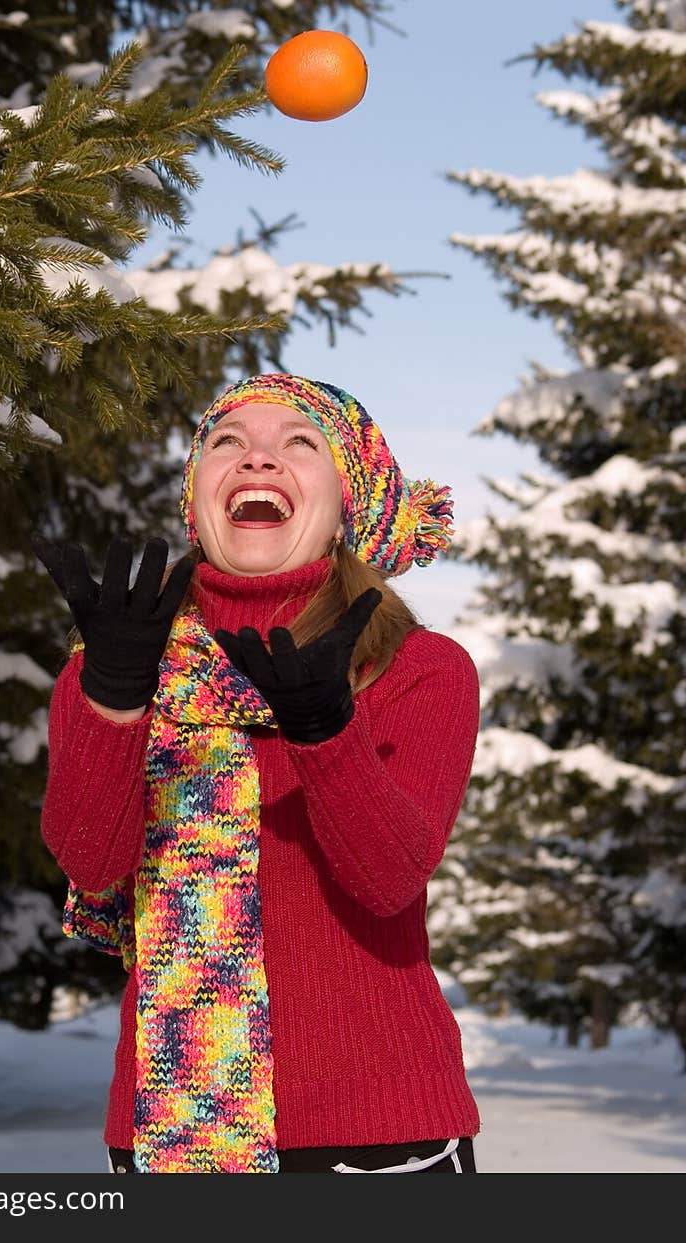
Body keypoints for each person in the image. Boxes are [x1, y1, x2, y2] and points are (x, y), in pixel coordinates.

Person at [33, 372, 481, 1174]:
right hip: (172, 1134)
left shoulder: (418, 670)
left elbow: (389, 878)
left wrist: (325, 734)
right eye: (227, 443)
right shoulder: (115, 670)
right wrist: (112, 705)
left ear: (349, 498)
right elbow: (92, 863)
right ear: (195, 495)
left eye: (298, 443)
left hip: (380, 1138)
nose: (257, 460)